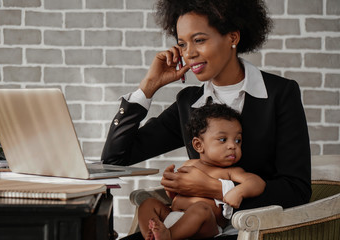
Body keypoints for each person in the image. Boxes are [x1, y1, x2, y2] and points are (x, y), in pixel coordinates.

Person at [102, 0, 311, 238]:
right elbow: (115, 159)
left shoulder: (279, 94)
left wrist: (215, 188)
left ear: (232, 37)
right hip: (185, 229)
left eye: (199, 40)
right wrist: (148, 88)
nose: (189, 53)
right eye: (182, 44)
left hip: (251, 232)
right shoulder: (189, 103)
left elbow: (297, 190)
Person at [138, 103, 266, 240]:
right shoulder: (190, 165)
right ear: (199, 145)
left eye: (237, 140)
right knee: (148, 204)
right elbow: (176, 196)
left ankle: (168, 236)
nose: (232, 146)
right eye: (223, 140)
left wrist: (239, 192)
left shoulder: (232, 172)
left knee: (201, 208)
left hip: (206, 226)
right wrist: (171, 187)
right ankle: (151, 235)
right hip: (173, 218)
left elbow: (257, 182)